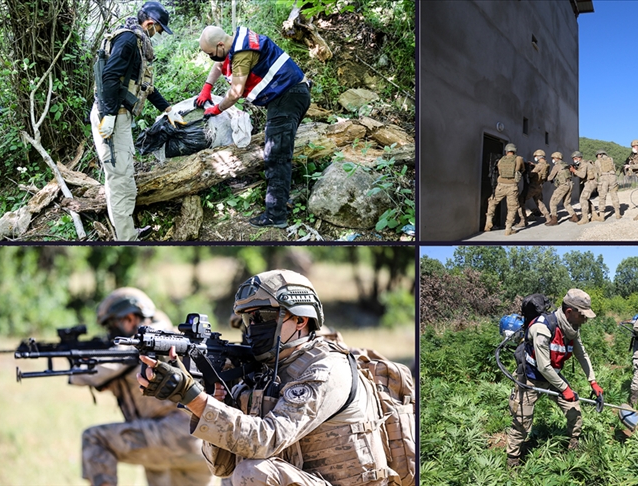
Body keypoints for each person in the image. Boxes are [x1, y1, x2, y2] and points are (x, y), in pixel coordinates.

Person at [137, 270, 395, 485]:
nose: (253, 327)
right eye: (249, 318)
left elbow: (266, 439)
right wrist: (213, 398)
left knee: (253, 473)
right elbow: (221, 467)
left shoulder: (325, 368)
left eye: (264, 317)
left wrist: (192, 396)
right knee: (236, 474)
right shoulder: (261, 370)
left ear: (301, 319)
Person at [70, 288, 214, 486]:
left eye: (111, 325)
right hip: (198, 444)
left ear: (129, 319)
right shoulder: (171, 337)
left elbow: (84, 375)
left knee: (95, 439)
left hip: (173, 435)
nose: (110, 332)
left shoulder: (142, 345)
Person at [195, 25, 311, 228]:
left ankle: (276, 215)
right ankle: (283, 201)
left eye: (211, 53)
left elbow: (236, 92)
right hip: (288, 96)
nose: (211, 58)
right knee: (280, 153)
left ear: (220, 45)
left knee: (276, 156)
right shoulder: (235, 42)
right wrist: (207, 87)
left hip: (288, 97)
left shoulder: (242, 52)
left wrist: (217, 109)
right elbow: (219, 64)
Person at [91, 2, 184, 241]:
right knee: (119, 180)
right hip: (111, 116)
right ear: (150, 24)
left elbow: (144, 87)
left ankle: (129, 232)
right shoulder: (130, 40)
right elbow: (109, 76)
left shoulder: (136, 44)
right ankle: (126, 240)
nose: (158, 34)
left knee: (125, 177)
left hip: (118, 115)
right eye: (159, 30)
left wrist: (167, 109)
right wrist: (109, 115)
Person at [506, 289, 604, 468]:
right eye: (583, 315)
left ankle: (573, 445)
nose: (585, 319)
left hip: (553, 377)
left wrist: (593, 381)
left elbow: (582, 355)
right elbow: (543, 366)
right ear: (569, 312)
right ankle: (512, 460)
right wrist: (565, 389)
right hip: (531, 377)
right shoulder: (542, 328)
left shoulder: (572, 330)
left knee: (574, 408)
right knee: (522, 421)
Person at [485, 143, 524, 235]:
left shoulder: (501, 160)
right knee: (512, 208)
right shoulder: (519, 159)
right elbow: (522, 169)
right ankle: (508, 229)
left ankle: (488, 221)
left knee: (492, 201)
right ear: (514, 151)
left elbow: (499, 171)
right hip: (512, 186)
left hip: (500, 185)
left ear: (506, 151)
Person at [516, 150, 551, 227]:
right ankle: (548, 218)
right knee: (539, 203)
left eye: (535, 157)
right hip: (539, 186)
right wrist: (533, 165)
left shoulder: (539, 165)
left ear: (538, 156)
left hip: (533, 186)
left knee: (520, 200)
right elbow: (540, 170)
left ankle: (523, 220)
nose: (535, 158)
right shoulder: (546, 164)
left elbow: (532, 174)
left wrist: (528, 170)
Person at [545, 151, 578, 225]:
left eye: (553, 158)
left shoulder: (557, 166)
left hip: (563, 185)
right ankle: (574, 216)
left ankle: (554, 220)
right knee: (566, 203)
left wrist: (543, 178)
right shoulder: (566, 165)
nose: (552, 159)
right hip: (570, 184)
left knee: (553, 202)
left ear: (556, 158)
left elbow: (550, 177)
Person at [571, 151, 598, 225]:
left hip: (591, 182)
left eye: (575, 158)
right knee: (586, 198)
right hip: (589, 182)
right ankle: (594, 214)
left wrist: (574, 170)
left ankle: (585, 218)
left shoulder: (584, 164)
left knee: (583, 199)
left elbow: (582, 175)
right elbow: (579, 175)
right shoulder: (580, 164)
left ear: (579, 158)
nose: (574, 160)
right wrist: (574, 170)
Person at [595, 149, 621, 220]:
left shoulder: (597, 161)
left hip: (603, 178)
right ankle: (617, 213)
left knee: (602, 197)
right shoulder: (611, 159)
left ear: (598, 155)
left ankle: (602, 216)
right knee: (614, 195)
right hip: (613, 177)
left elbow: (596, 173)